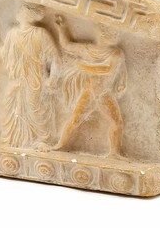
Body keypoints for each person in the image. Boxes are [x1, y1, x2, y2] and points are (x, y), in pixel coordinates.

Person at [53, 16, 127, 156]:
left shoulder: (116, 53)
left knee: (117, 122)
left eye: (114, 34)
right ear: (101, 34)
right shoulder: (87, 49)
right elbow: (66, 46)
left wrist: (82, 66)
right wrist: (62, 28)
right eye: (110, 33)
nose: (114, 36)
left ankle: (114, 153)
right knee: (75, 120)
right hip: (89, 92)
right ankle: (59, 145)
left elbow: (107, 69)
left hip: (104, 93)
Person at [0, 3, 61, 150]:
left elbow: (55, 58)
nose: (18, 11)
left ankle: (43, 139)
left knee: (34, 108)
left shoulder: (41, 34)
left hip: (34, 78)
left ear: (29, 15)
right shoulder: (12, 33)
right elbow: (3, 54)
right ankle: (9, 138)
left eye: (22, 10)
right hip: (16, 78)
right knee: (8, 104)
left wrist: (52, 78)